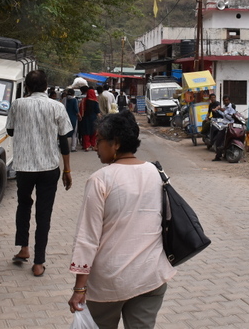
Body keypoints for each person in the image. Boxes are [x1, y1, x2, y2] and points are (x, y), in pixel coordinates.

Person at [68, 111, 176, 328]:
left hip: (110, 282)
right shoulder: (157, 173)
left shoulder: (100, 179)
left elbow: (87, 238)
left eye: (99, 141)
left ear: (115, 143)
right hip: (150, 276)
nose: (96, 147)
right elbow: (167, 218)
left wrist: (80, 288)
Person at [6, 69, 73, 277]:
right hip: (49, 168)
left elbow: (10, 131)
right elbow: (64, 140)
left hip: (24, 167)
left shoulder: (17, 105)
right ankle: (38, 262)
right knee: (44, 213)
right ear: (46, 87)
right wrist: (67, 169)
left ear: (26, 87)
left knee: (23, 205)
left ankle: (24, 248)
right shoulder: (57, 107)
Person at [211, 95, 236, 161]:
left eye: (227, 100)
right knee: (218, 140)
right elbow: (223, 115)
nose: (226, 102)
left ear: (229, 100)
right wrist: (218, 110)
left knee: (220, 139)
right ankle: (219, 155)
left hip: (228, 126)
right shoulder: (225, 107)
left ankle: (219, 155)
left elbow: (231, 117)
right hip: (223, 125)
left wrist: (223, 111)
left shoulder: (231, 107)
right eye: (224, 101)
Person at [78, 87, 101, 151]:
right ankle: (93, 145)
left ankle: (86, 146)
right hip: (93, 118)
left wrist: (80, 117)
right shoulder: (96, 102)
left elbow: (80, 109)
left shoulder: (84, 100)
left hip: (85, 118)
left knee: (86, 132)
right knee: (93, 132)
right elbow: (98, 112)